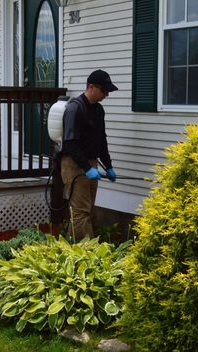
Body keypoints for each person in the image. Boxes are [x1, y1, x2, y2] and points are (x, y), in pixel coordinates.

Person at [60, 69, 118, 240]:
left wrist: (108, 166)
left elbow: (102, 141)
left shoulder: (98, 110)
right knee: (80, 211)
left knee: (88, 210)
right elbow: (70, 144)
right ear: (91, 87)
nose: (106, 94)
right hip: (73, 165)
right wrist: (86, 167)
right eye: (104, 90)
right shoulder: (75, 108)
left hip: (90, 164)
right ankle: (87, 254)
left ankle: (72, 248)